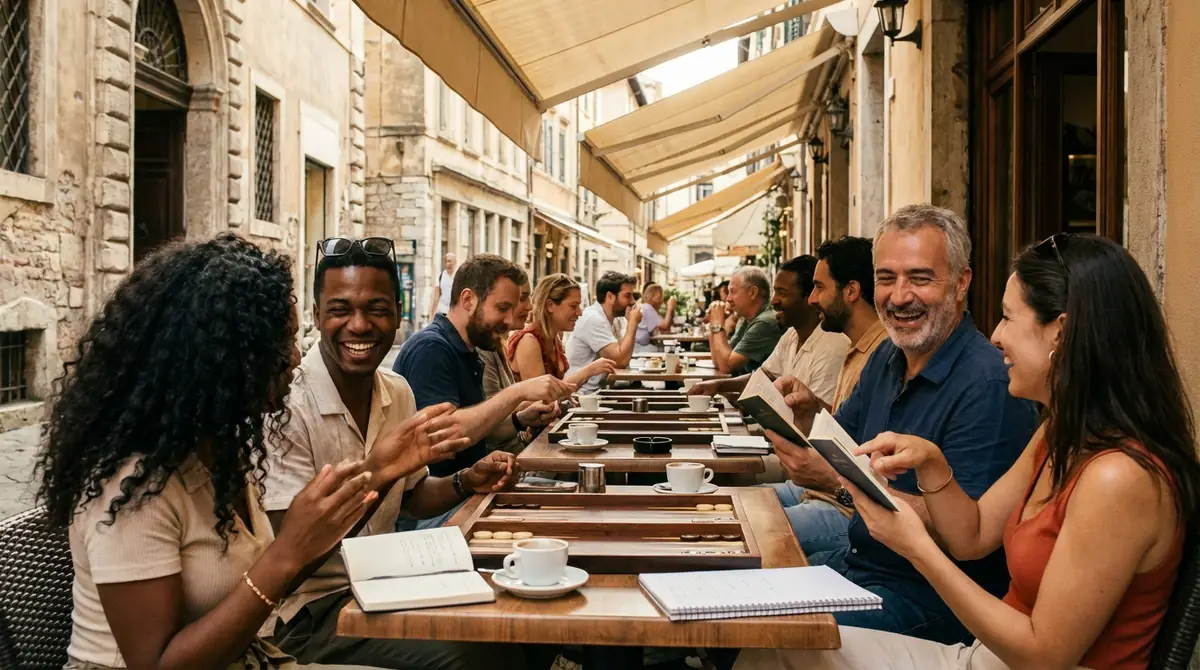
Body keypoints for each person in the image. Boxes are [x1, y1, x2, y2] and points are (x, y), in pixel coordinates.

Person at [737, 234, 1200, 670]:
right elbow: (972, 536)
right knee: (774, 640)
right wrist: (933, 465)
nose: (995, 336)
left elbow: (1044, 656)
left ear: (1061, 333)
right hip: (985, 656)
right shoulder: (1058, 434)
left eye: (1008, 317)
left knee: (780, 641)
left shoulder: (1118, 477)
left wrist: (917, 548)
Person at [37, 234, 377, 670]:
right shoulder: (131, 484)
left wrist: (320, 524)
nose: (296, 358)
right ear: (225, 359)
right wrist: (287, 550)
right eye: (281, 344)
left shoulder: (217, 449)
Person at [263, 240, 545, 669]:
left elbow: (411, 496)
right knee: (480, 655)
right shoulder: (287, 404)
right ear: (317, 316)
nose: (359, 325)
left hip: (385, 581)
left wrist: (464, 481)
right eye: (340, 310)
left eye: (377, 309)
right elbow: (291, 560)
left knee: (522, 620)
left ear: (398, 313)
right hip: (308, 612)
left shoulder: (396, 391)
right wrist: (374, 473)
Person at [768, 204, 1040, 644]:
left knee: (761, 630)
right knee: (737, 587)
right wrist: (801, 419)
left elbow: (967, 537)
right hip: (862, 564)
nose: (898, 296)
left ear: (961, 283)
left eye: (919, 278)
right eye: (887, 278)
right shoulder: (888, 357)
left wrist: (838, 481)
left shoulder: (988, 384)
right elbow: (840, 439)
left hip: (930, 601)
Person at [392, 254, 575, 526]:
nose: (510, 320)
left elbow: (476, 429)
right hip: (433, 511)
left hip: (470, 492)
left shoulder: (469, 349)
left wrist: (518, 419)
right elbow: (445, 438)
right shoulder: (432, 349)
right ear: (468, 300)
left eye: (513, 309)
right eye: (502, 308)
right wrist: (518, 392)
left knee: (571, 493)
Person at [689, 256, 848, 405]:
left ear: (809, 297)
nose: (774, 301)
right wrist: (718, 385)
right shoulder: (791, 334)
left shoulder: (832, 345)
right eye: (775, 292)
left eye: (782, 293)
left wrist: (743, 402)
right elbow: (764, 376)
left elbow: (817, 418)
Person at [809, 236, 889, 411]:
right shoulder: (858, 347)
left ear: (851, 291)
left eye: (819, 287)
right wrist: (810, 409)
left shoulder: (884, 355)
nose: (811, 299)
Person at [509, 273, 617, 385]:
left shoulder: (554, 337)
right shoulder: (529, 341)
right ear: (550, 305)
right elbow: (543, 397)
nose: (579, 313)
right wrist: (589, 371)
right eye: (573, 306)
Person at [565, 271, 640, 394]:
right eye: (627, 296)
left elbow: (623, 355)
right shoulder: (593, 319)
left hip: (599, 390)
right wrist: (633, 323)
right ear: (610, 296)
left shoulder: (613, 320)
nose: (633, 302)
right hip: (582, 395)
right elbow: (620, 361)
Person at [706, 266, 784, 375]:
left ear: (752, 293)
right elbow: (719, 361)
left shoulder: (765, 323)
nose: (728, 299)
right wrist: (713, 326)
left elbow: (726, 367)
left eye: (733, 292)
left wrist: (717, 325)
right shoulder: (746, 319)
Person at [634, 283, 677, 353]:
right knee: (664, 350)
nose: (661, 301)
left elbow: (665, 330)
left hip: (638, 346)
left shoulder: (645, 307)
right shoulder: (647, 308)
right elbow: (665, 326)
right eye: (659, 297)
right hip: (638, 347)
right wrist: (670, 308)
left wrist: (671, 310)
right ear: (651, 297)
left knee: (662, 348)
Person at [429, 252, 457, 323]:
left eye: (452, 261)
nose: (450, 264)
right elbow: (436, 298)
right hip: (442, 311)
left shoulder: (458, 277)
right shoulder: (441, 276)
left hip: (453, 313)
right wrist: (432, 317)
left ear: (455, 263)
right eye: (448, 261)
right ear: (445, 263)